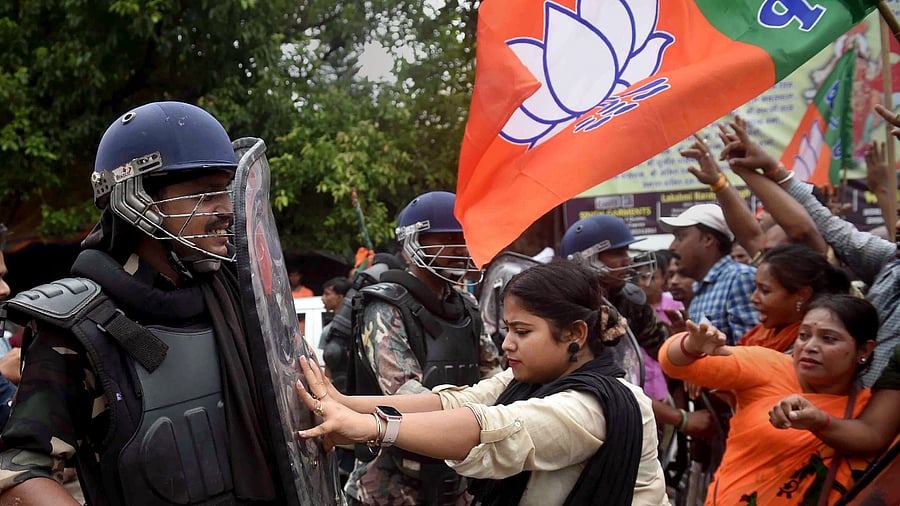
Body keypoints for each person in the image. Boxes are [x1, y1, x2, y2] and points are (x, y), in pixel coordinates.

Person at [0, 102, 287, 504]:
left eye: (228, 191)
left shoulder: (242, 300)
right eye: (205, 195)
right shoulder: (75, 326)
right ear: (139, 203)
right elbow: (20, 471)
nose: (227, 210)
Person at [297, 260, 668, 505]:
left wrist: (370, 426)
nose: (507, 343)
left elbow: (491, 429)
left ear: (575, 333)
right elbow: (456, 403)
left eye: (522, 331)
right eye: (508, 329)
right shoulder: (531, 379)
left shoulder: (593, 406)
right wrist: (342, 401)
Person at [721, 113, 900, 386]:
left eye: (766, 290)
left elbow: (806, 229)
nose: (896, 226)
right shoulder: (891, 260)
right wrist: (771, 169)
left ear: (803, 295)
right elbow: (832, 227)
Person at [346, 191, 501, 505]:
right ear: (413, 242)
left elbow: (493, 375)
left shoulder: (467, 305)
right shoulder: (386, 307)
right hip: (392, 486)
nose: (458, 248)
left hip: (459, 473)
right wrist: (475, 417)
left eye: (462, 238)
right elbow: (403, 394)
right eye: (444, 238)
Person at [659, 294, 878, 505]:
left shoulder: (871, 413)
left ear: (864, 350)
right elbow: (673, 362)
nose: (810, 346)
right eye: (803, 335)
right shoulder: (769, 365)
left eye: (828, 338)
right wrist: (691, 345)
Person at [660, 203, 758, 345]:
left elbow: (752, 353)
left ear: (708, 240)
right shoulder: (699, 292)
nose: (672, 247)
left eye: (681, 237)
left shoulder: (739, 279)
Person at [739, 245, 850, 352]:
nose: (753, 298)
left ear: (802, 294)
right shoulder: (761, 333)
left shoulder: (807, 346)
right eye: (755, 288)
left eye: (765, 291)